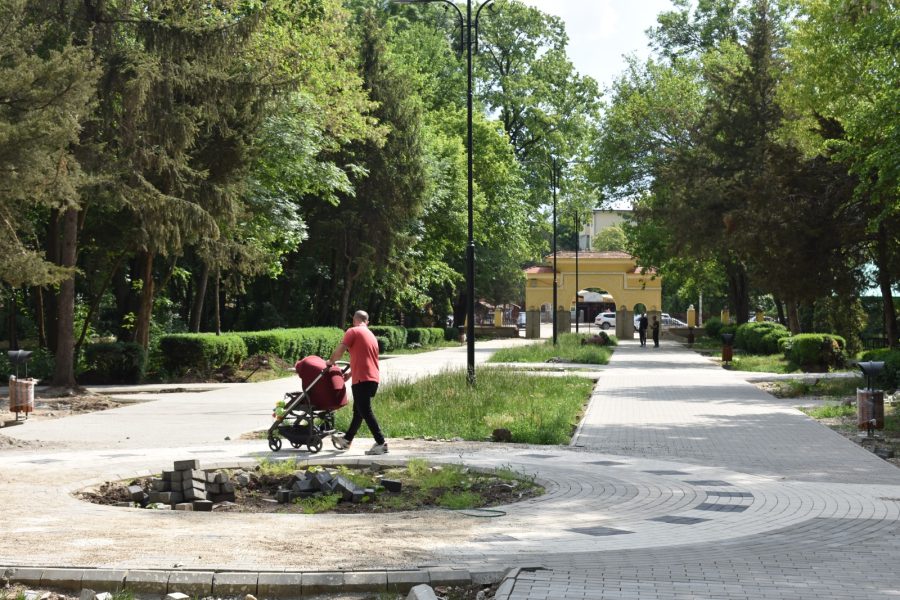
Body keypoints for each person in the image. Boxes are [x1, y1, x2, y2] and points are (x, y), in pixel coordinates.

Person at [326, 310, 387, 455]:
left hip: (362, 379)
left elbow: (340, 350)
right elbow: (364, 359)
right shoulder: (371, 335)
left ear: (354, 320)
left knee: (365, 410)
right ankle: (347, 440)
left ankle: (381, 442)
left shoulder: (353, 331)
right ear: (367, 321)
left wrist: (330, 361)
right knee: (358, 412)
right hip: (372, 378)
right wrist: (349, 374)